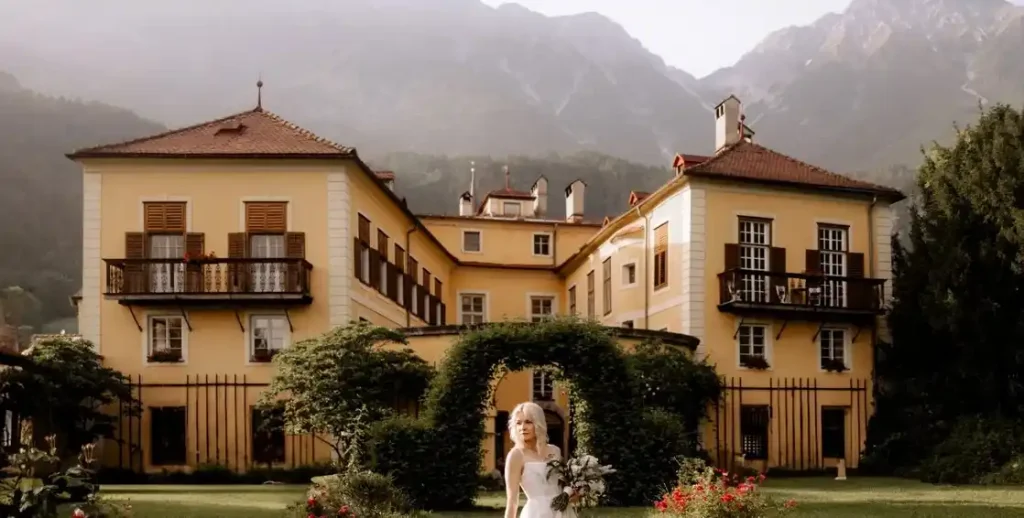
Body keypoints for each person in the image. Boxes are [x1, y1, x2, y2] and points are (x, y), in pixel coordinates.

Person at [503, 402, 577, 518]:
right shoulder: (516, 455)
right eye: (518, 423)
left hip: (563, 512)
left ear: (538, 424)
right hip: (536, 514)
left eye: (528, 422)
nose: (522, 427)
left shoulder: (555, 451)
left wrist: (574, 493)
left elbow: (563, 486)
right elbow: (512, 500)